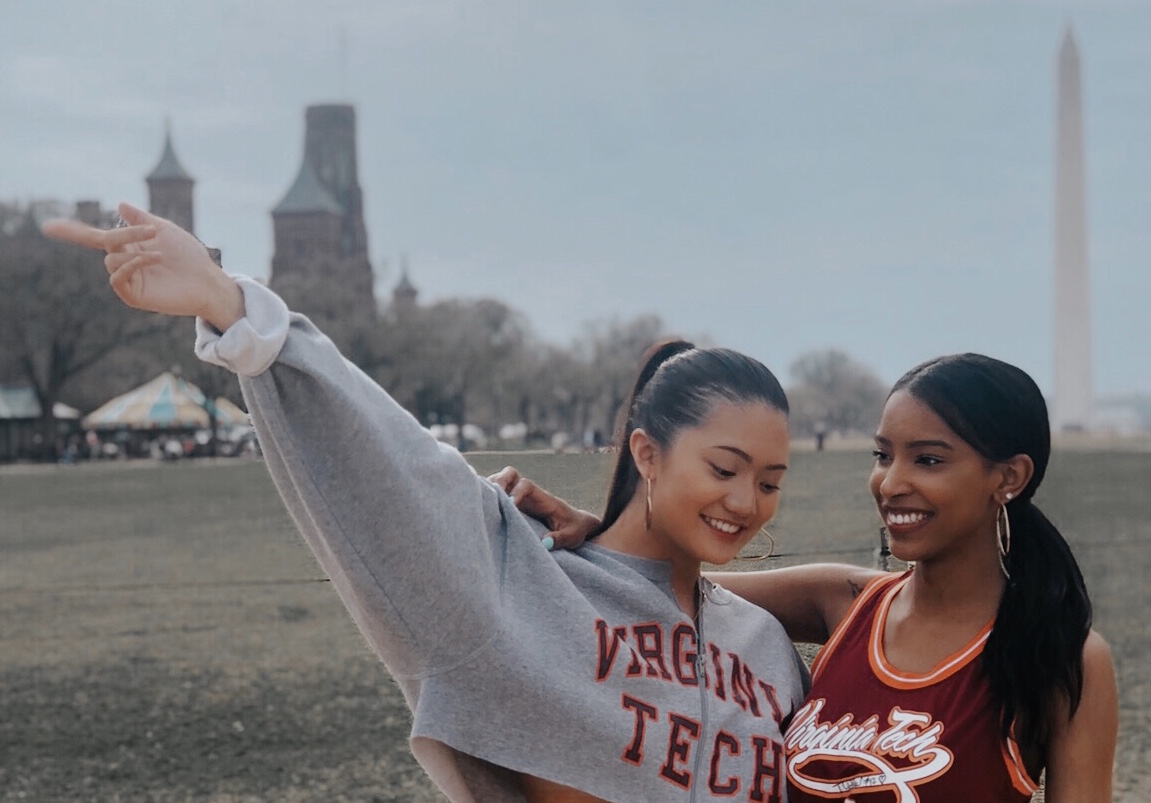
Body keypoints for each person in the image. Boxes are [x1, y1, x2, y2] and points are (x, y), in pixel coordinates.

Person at [44, 203, 810, 803]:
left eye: (770, 482)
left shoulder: (769, 648)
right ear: (647, 452)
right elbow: (399, 468)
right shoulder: (518, 587)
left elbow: (898, 608)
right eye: (724, 468)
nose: (746, 502)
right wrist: (238, 312)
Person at [498, 354, 1119, 801]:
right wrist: (594, 533)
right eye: (883, 455)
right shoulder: (844, 603)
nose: (891, 482)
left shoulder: (1063, 656)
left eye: (928, 459)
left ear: (1007, 478)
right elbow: (652, 589)